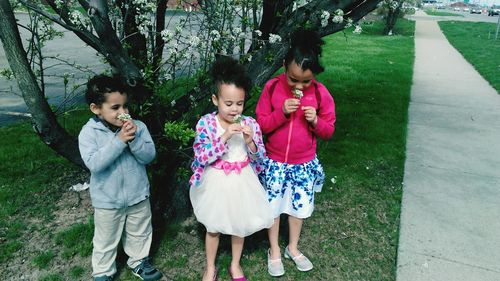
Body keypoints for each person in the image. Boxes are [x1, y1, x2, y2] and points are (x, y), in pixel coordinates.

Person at [255, 28, 336, 277]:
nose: (299, 86)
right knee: (274, 209)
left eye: (306, 81)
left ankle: (292, 246)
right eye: (293, 79)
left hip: (302, 164)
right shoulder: (272, 88)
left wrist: (315, 122)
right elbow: (262, 125)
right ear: (283, 67)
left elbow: (328, 131)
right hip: (275, 162)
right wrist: (281, 113)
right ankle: (274, 250)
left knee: (297, 209)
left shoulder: (321, 94)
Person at [189, 57, 274, 281]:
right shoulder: (206, 124)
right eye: (228, 104)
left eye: (240, 103)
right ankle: (210, 266)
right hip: (216, 180)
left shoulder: (251, 124)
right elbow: (201, 155)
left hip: (242, 181)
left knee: (239, 224)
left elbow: (260, 157)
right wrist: (225, 136)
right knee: (213, 227)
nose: (234, 109)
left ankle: (235, 265)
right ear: (215, 99)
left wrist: (250, 141)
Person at [78, 75, 163, 281]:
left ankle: (138, 261)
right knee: (105, 238)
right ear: (96, 108)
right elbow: (95, 163)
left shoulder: (139, 127)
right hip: (108, 200)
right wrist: (119, 141)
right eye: (115, 108)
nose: (123, 113)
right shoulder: (89, 133)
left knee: (139, 231)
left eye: (125, 106)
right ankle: (103, 271)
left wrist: (133, 141)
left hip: (137, 193)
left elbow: (149, 157)